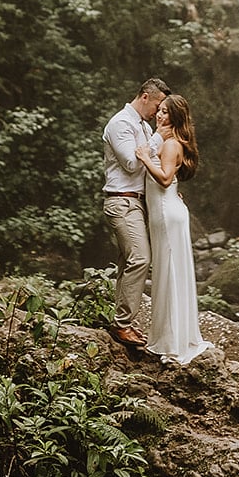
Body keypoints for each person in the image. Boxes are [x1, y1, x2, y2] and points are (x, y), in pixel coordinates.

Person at [136, 94, 210, 364]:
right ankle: (173, 336)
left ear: (176, 117)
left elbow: (166, 179)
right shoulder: (170, 142)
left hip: (167, 215)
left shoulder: (169, 145)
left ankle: (172, 343)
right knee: (170, 273)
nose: (160, 115)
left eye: (166, 112)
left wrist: (144, 157)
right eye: (160, 110)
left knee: (169, 274)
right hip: (167, 212)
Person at [102, 77, 167, 350]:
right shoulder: (121, 124)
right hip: (122, 202)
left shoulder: (141, 125)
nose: (159, 112)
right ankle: (122, 324)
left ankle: (122, 321)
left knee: (128, 261)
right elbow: (131, 162)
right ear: (144, 97)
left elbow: (147, 163)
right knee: (141, 258)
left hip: (135, 202)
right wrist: (159, 136)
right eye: (157, 104)